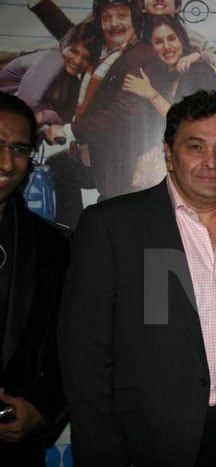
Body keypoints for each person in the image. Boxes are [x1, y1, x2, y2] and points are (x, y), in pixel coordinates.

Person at [58, 90, 216, 467]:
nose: (211, 162)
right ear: (169, 154)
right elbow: (83, 358)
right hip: (145, 444)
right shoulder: (112, 224)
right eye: (195, 146)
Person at [42, 0, 169, 229]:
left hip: (120, 165)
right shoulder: (96, 49)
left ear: (133, 18)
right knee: (58, 166)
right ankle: (71, 231)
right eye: (107, 17)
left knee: (112, 220)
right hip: (88, 155)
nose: (114, 24)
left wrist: (71, 131)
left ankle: (83, 236)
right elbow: (65, 31)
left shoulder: (140, 57)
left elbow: (125, 114)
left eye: (121, 15)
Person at [0, 92, 69, 466]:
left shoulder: (53, 247)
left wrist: (41, 412)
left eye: (20, 149)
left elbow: (71, 349)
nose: (7, 162)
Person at [28, 0, 216, 83]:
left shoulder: (187, 37)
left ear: (177, 6)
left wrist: (199, 56)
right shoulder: (124, 20)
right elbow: (74, 37)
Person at [0, 22, 101, 125]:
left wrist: (48, 116)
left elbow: (65, 122)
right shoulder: (52, 58)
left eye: (86, 58)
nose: (77, 61)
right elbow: (25, 106)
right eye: (74, 51)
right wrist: (50, 116)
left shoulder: (73, 83)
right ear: (63, 46)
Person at [123, 14, 216, 117]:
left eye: (171, 39)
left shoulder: (201, 71)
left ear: (181, 40)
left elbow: (192, 123)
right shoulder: (153, 78)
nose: (167, 47)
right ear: (151, 47)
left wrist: (152, 95)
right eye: (159, 42)